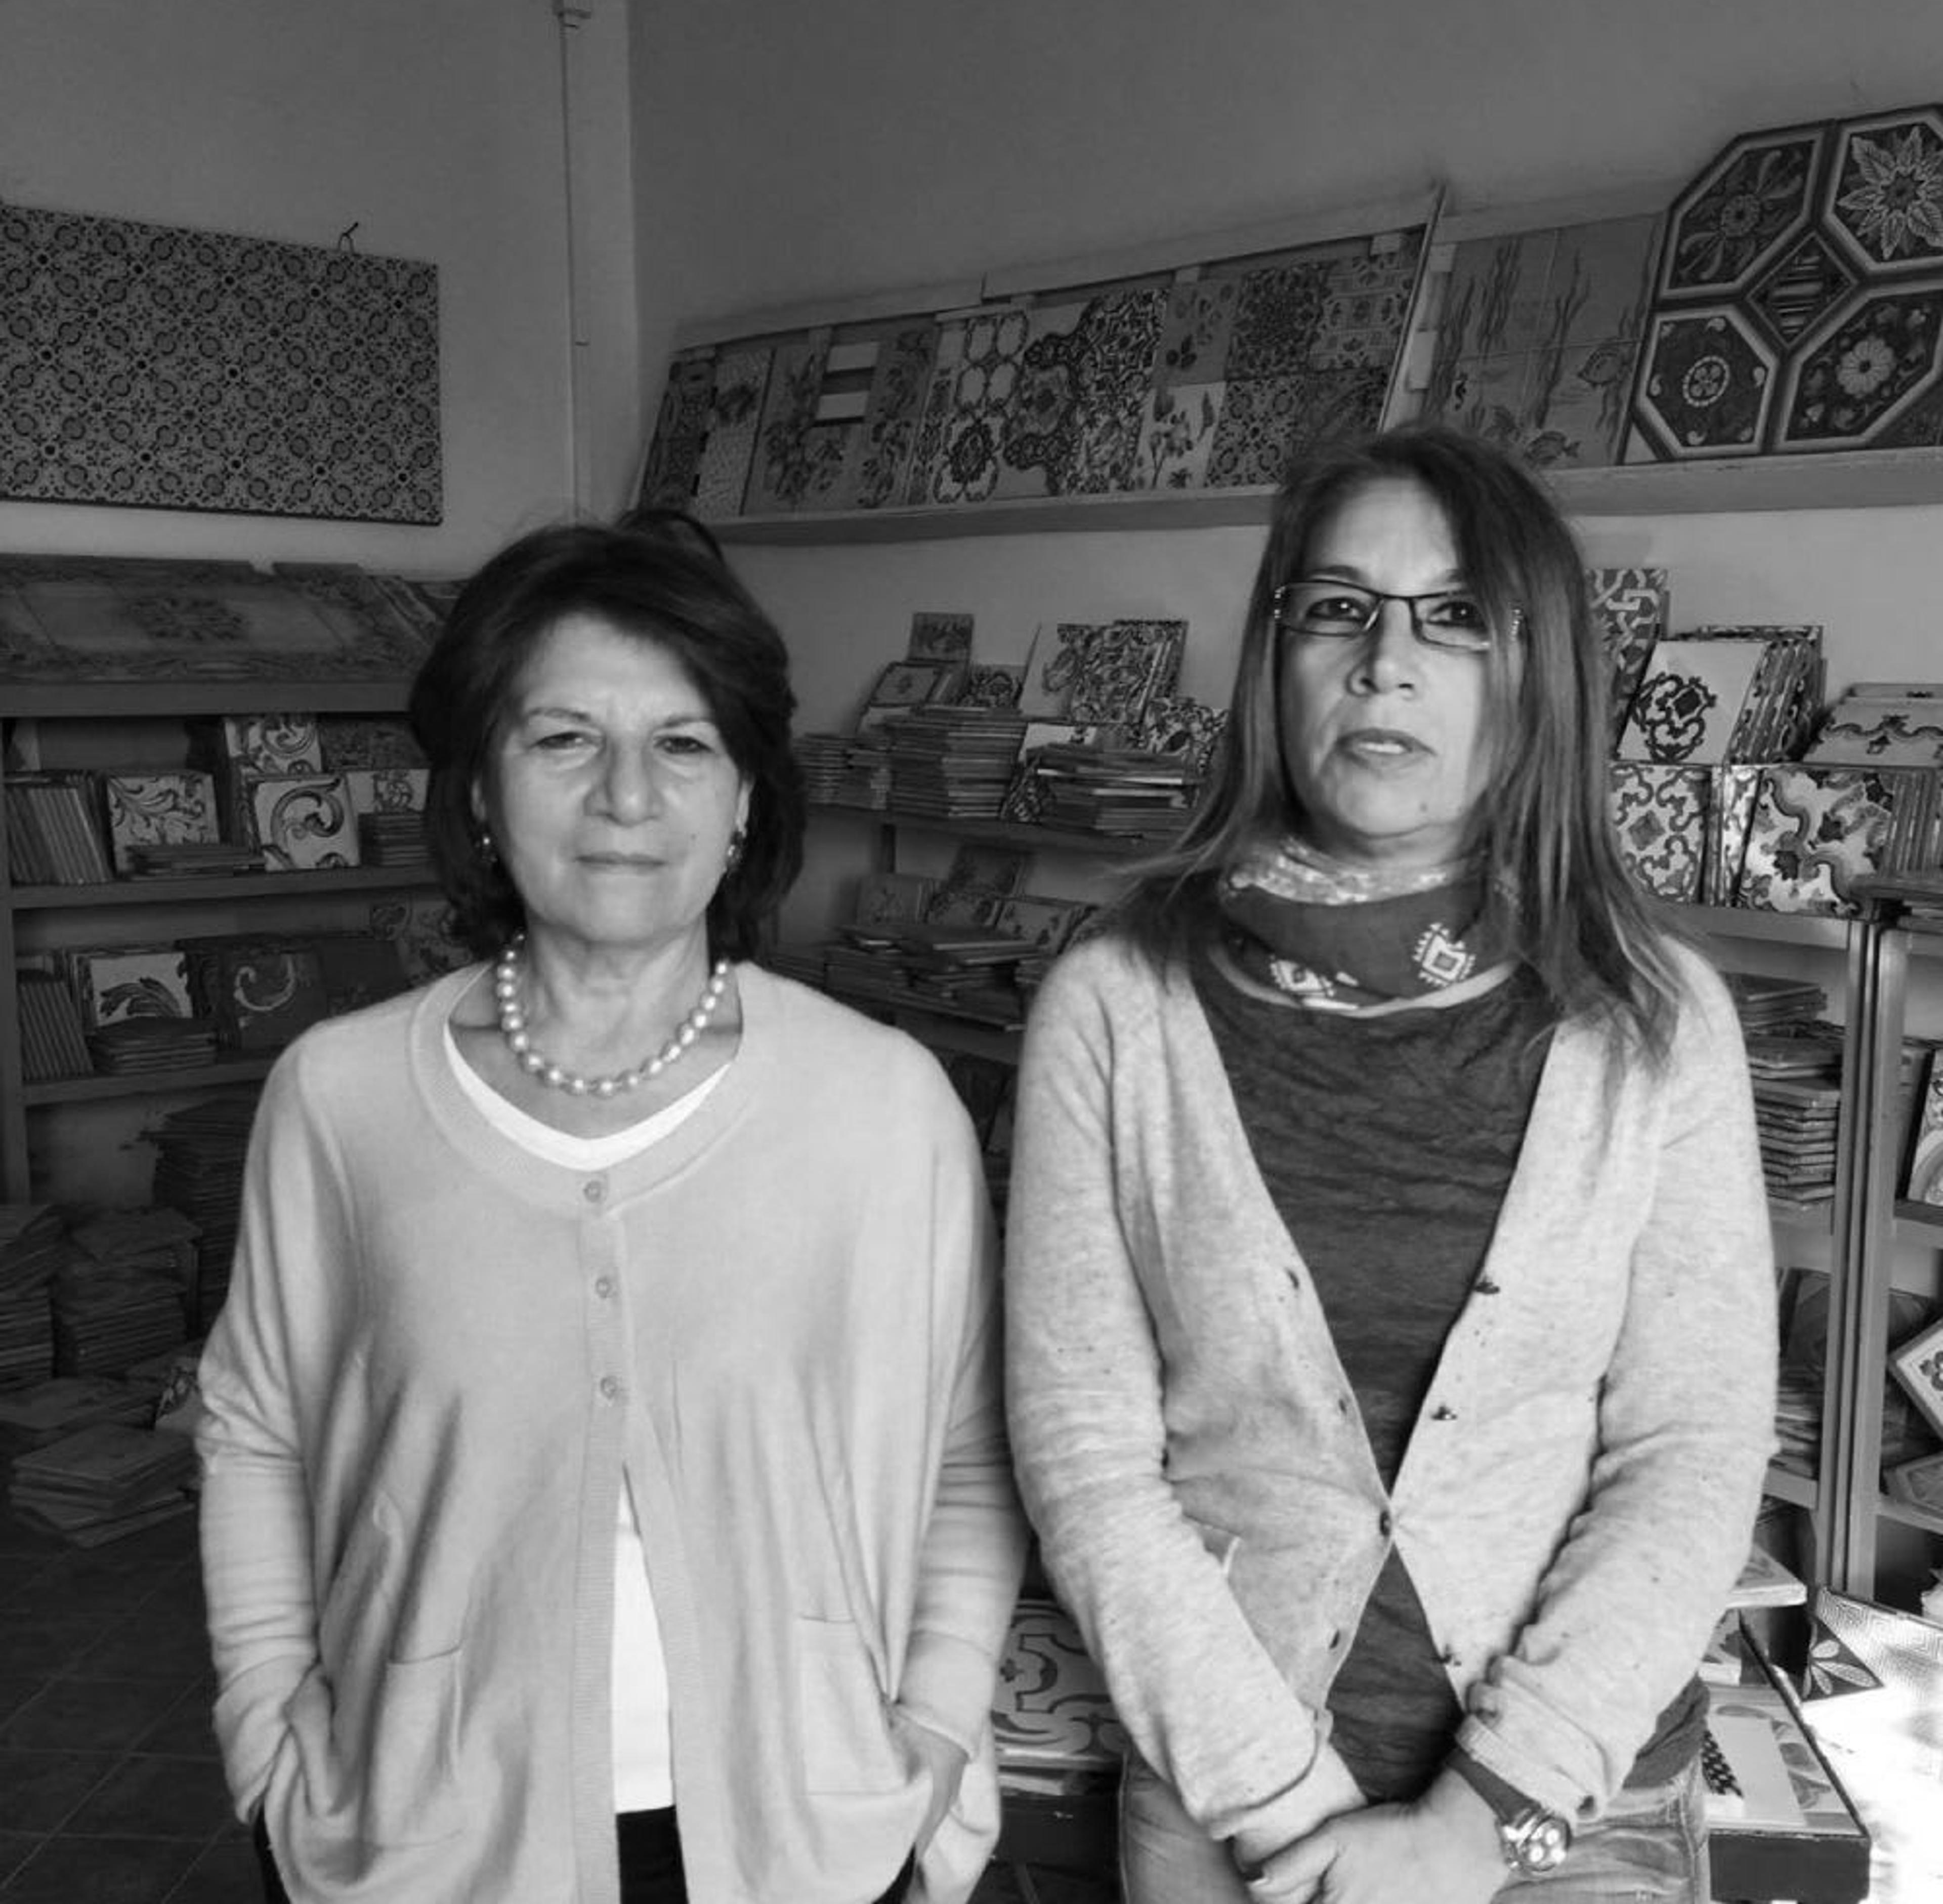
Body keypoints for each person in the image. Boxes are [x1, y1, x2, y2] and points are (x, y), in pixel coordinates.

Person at [197, 520, 1026, 1904]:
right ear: (480, 786)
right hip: (418, 1844)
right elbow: (256, 1432)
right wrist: (267, 1740)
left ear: (746, 795)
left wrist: (935, 1732)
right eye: (564, 738)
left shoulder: (884, 1108)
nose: (627, 796)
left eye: (684, 743)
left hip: (806, 1842)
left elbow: (970, 1455)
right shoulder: (342, 1099)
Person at [1003, 425, 1777, 1904]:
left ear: (1536, 670)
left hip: (1570, 1816)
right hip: (1237, 1808)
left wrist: (1478, 1827)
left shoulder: (1654, 1017)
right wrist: (1283, 1809)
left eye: (1457, 615)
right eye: (1338, 607)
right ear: (1276, 652)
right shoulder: (1118, 1005)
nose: (1386, 663)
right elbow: (1085, 1455)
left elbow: (1690, 1450)